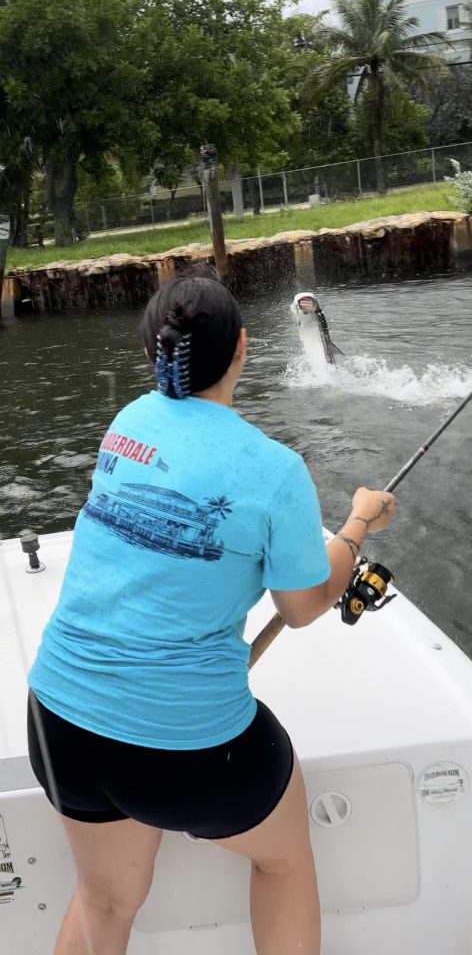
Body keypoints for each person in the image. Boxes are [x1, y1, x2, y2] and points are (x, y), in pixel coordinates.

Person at [27, 276, 396, 955]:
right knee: (282, 859)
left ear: (151, 351)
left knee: (106, 902)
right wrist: (356, 525)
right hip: (187, 748)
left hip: (60, 720)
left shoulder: (126, 424)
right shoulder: (275, 469)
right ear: (242, 349)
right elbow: (306, 605)